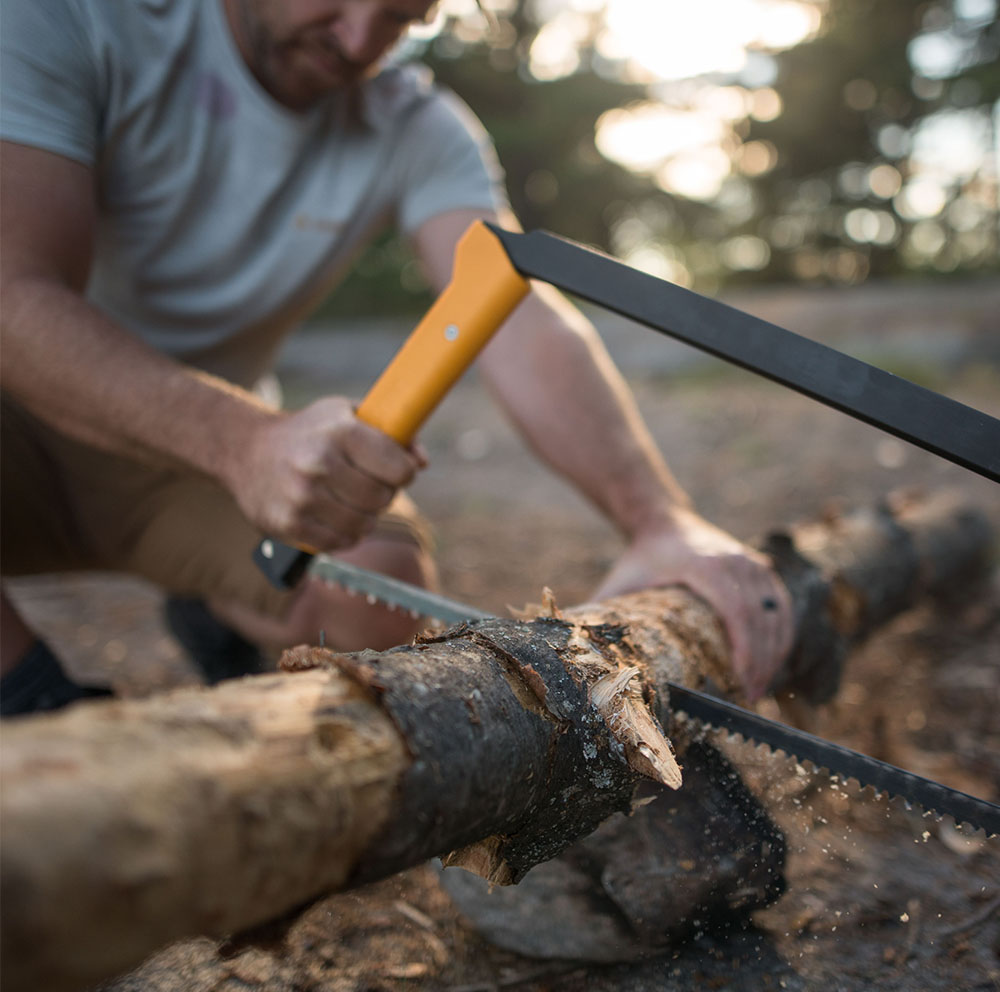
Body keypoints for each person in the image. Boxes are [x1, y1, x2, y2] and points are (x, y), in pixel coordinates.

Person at [0, 0, 793, 716]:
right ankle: (34, 713)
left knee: (372, 577)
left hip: (192, 455)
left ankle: (218, 624)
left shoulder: (414, 125)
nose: (357, 41)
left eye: (401, 17)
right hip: (46, 425)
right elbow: (14, 297)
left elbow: (509, 311)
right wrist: (242, 441)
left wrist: (658, 520)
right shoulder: (70, 21)